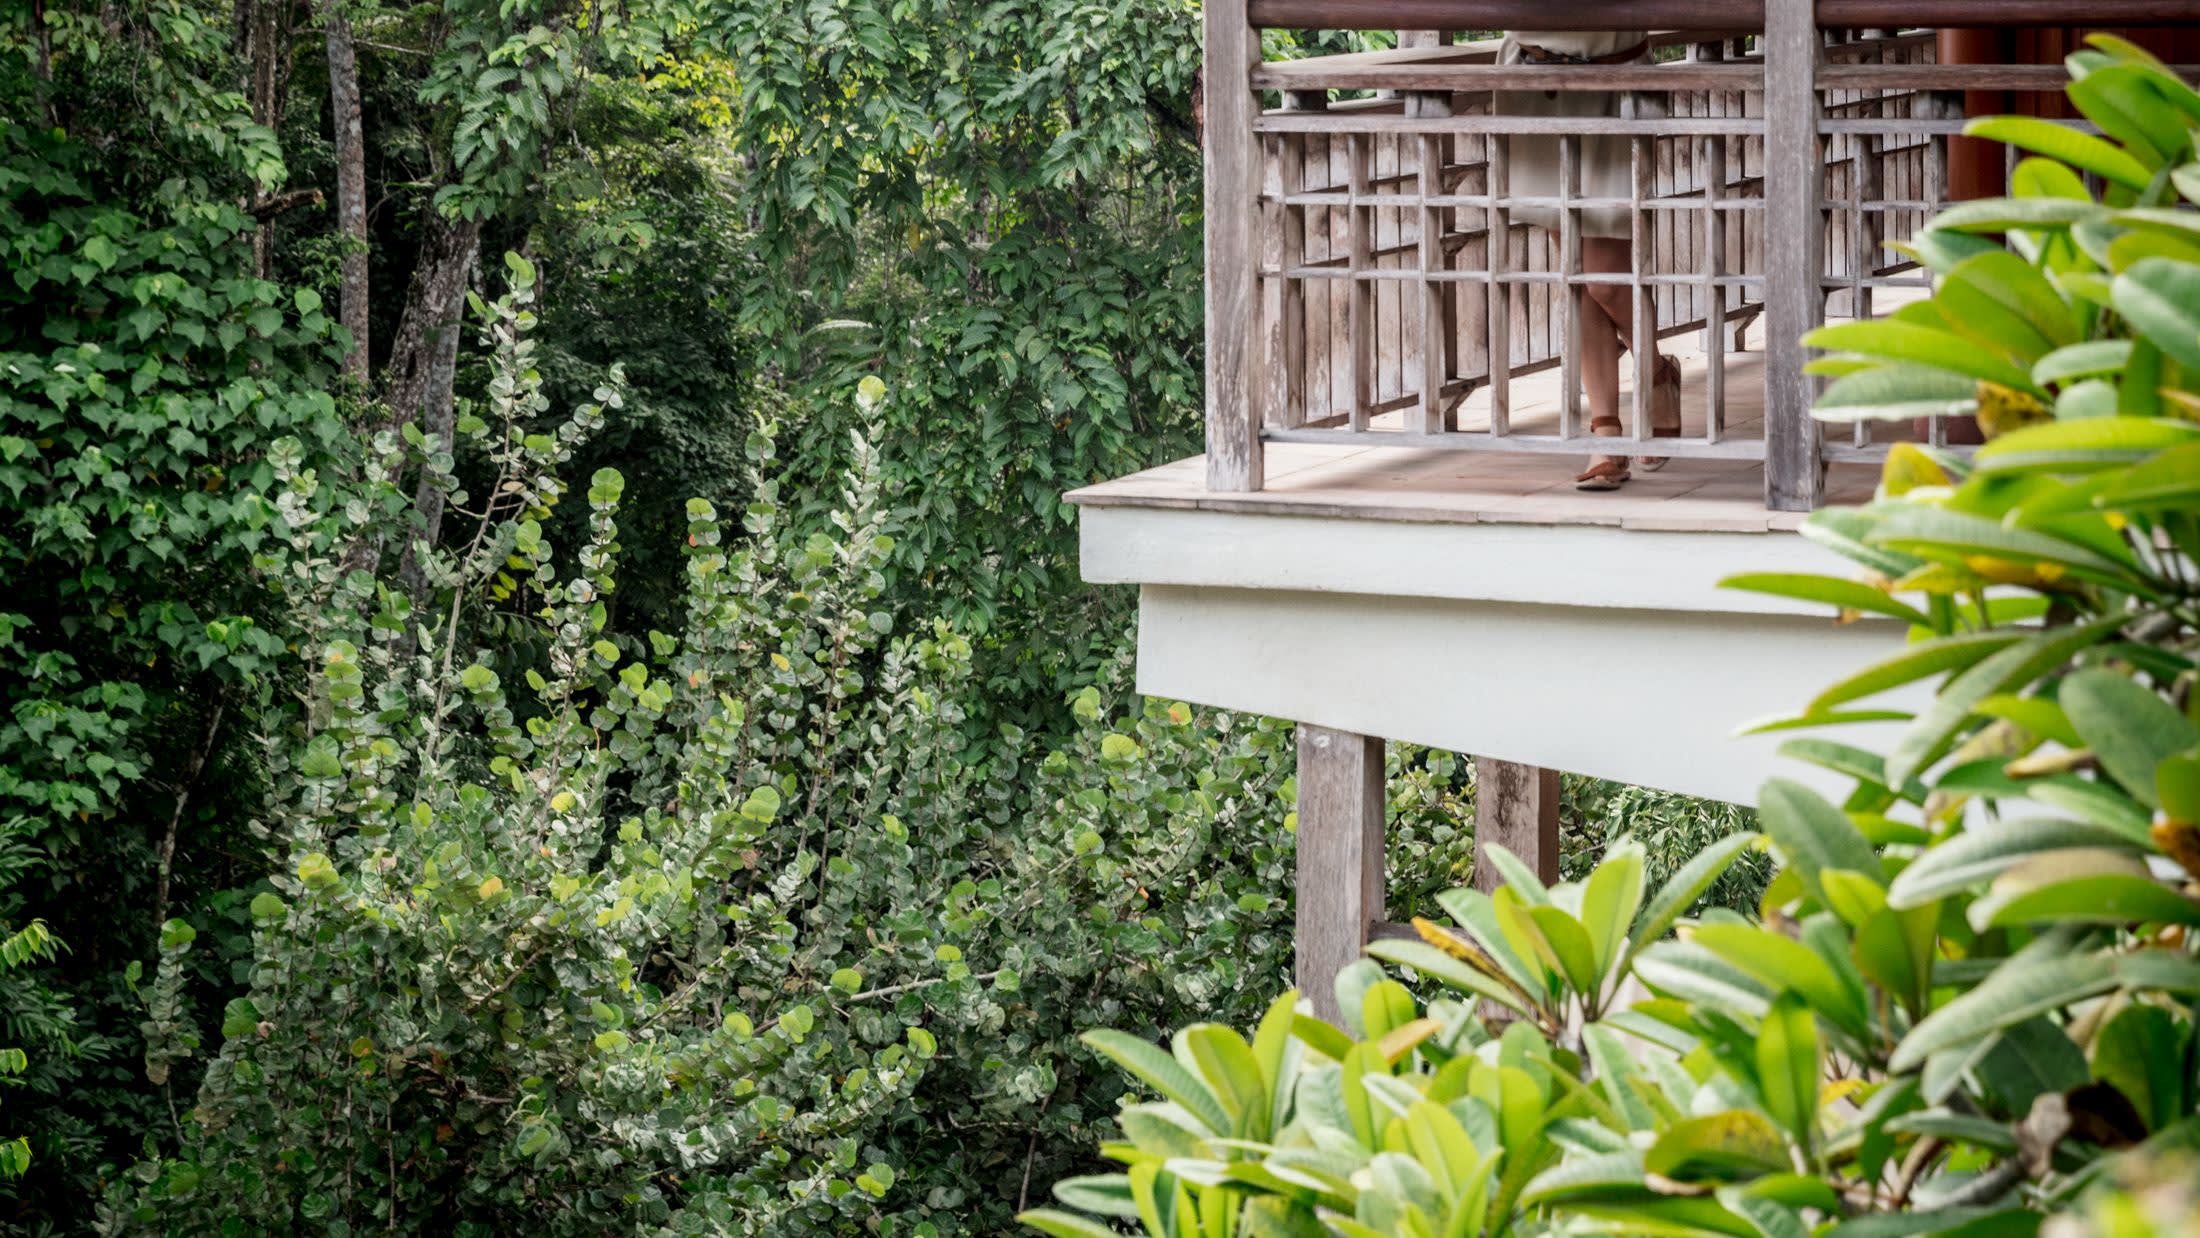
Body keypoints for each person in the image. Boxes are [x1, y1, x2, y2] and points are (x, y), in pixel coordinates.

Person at [1497, 29, 1682, 490]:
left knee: (1604, 276)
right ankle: (1606, 437)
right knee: (1576, 271)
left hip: (1613, 74)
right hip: (1534, 76)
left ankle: (1655, 371)